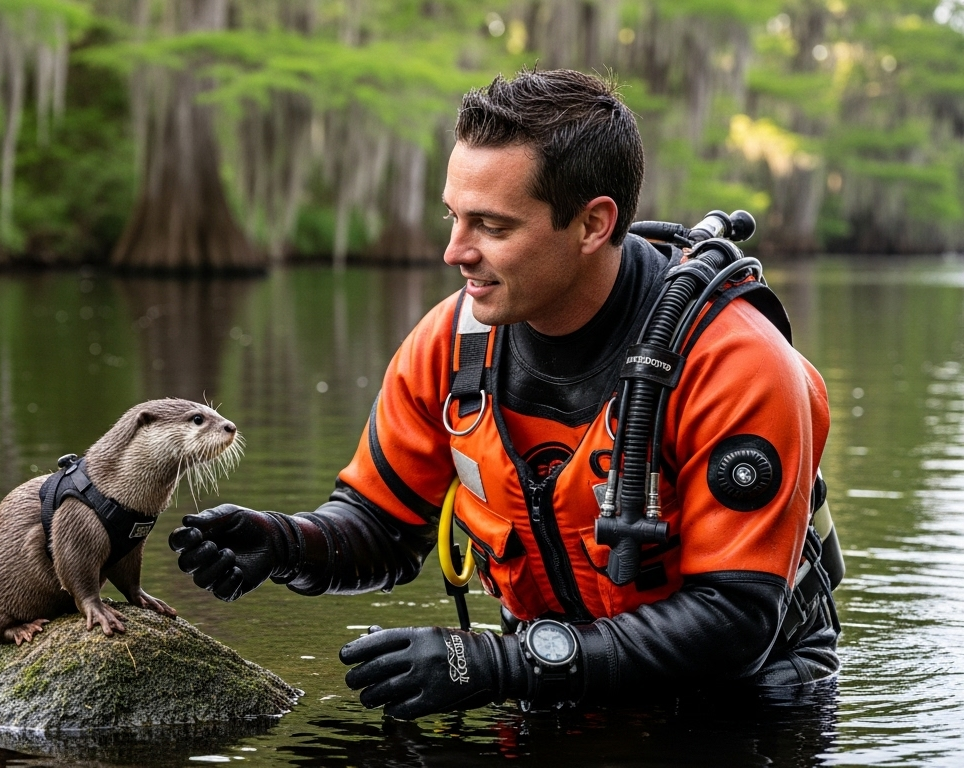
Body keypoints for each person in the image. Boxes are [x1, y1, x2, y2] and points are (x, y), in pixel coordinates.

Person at [168, 68, 840, 719]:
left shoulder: (737, 365)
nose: (454, 252)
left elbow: (735, 622)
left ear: (592, 225)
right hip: (550, 683)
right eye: (452, 217)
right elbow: (380, 528)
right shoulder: (448, 346)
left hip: (744, 708)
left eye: (491, 226)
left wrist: (501, 665)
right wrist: (289, 542)